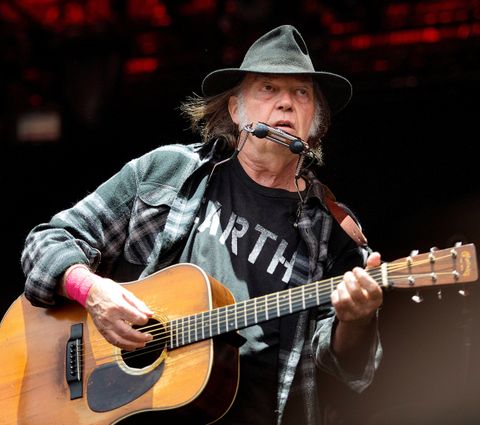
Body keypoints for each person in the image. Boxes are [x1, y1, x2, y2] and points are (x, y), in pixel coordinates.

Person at [21, 24, 383, 424]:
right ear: (234, 110)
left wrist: (357, 320)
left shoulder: (332, 233)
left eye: (301, 93)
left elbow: (349, 371)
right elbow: (48, 242)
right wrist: (92, 293)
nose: (285, 104)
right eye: (268, 89)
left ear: (315, 121)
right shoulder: (167, 172)